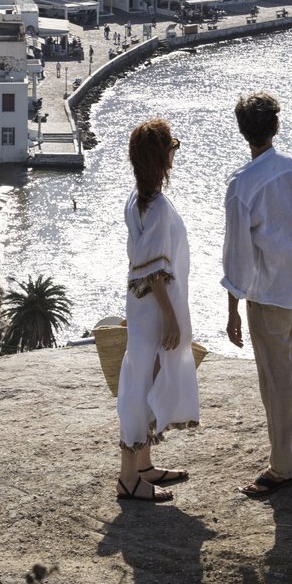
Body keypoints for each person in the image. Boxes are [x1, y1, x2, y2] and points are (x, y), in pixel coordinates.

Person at [221, 90, 292, 497]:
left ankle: (283, 466)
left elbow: (237, 255)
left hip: (269, 294)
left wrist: (232, 308)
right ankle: (291, 439)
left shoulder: (243, 186)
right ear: (276, 127)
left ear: (244, 133)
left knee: (276, 380)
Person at [115, 118, 198, 504]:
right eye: (171, 148)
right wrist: (169, 317)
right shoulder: (159, 207)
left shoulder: (136, 199)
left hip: (141, 305)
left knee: (142, 379)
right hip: (155, 309)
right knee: (141, 386)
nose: (173, 154)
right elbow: (156, 271)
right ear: (161, 158)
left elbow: (138, 265)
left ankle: (143, 465)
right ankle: (129, 478)